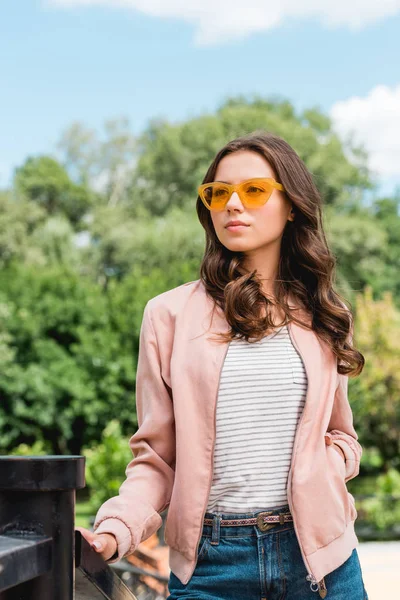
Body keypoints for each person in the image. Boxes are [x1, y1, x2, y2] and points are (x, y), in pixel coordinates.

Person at [77, 131, 369, 599]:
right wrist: (116, 529)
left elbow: (343, 437)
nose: (233, 204)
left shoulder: (325, 313)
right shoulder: (166, 315)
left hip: (322, 561)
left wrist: (325, 467)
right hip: (212, 566)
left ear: (291, 204)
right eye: (219, 193)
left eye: (254, 190)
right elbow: (157, 459)